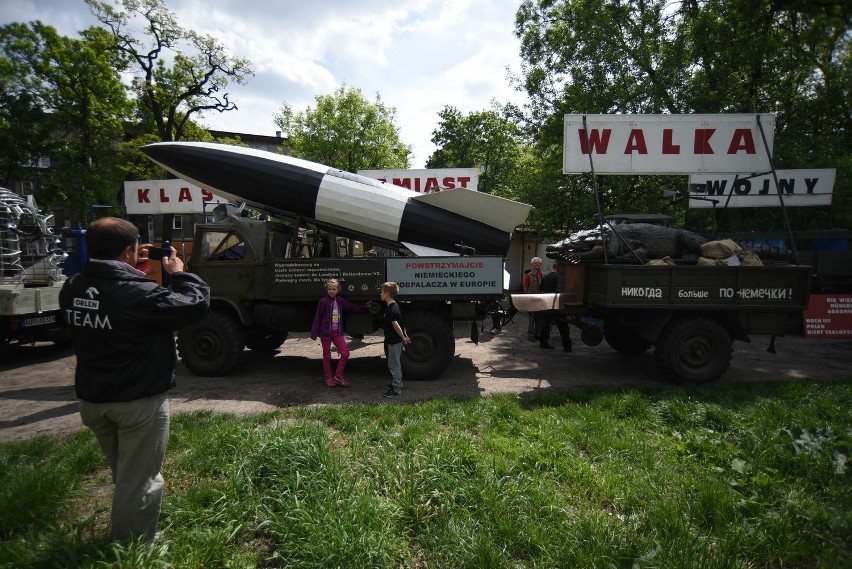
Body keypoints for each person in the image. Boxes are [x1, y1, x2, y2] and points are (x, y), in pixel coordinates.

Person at [59, 217, 210, 543]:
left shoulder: (71, 288)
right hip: (136, 402)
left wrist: (127, 265)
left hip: (93, 400)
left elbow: (110, 302)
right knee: (140, 479)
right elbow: (195, 303)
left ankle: (130, 524)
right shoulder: (137, 294)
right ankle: (134, 550)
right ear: (130, 251)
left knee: (125, 474)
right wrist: (179, 273)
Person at [310, 278, 368, 388]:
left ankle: (338, 376)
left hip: (337, 333)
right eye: (329, 289)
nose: (331, 291)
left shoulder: (340, 301)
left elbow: (352, 307)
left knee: (345, 353)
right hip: (326, 334)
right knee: (327, 357)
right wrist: (314, 332)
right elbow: (317, 317)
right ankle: (328, 378)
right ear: (327, 290)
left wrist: (364, 306)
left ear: (338, 289)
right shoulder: (323, 301)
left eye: (334, 289)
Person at [380, 281, 410, 397]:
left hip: (394, 342)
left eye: (381, 292)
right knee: (394, 363)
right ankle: (396, 383)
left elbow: (397, 326)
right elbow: (402, 322)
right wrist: (405, 335)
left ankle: (396, 387)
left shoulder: (389, 310)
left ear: (387, 293)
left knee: (394, 365)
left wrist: (403, 337)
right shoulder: (395, 305)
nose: (380, 294)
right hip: (395, 341)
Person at [538, 261, 572, 352]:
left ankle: (543, 343)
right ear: (560, 268)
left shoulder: (545, 277)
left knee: (545, 325)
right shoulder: (559, 278)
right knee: (563, 327)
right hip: (556, 305)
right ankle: (567, 346)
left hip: (546, 304)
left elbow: (541, 290)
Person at [523, 257, 544, 341]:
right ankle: (530, 334)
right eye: (535, 263)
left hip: (541, 299)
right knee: (531, 318)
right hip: (531, 299)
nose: (537, 264)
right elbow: (525, 287)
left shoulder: (544, 274)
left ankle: (537, 334)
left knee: (539, 317)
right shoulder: (529, 275)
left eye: (538, 263)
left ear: (540, 264)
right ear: (532, 264)